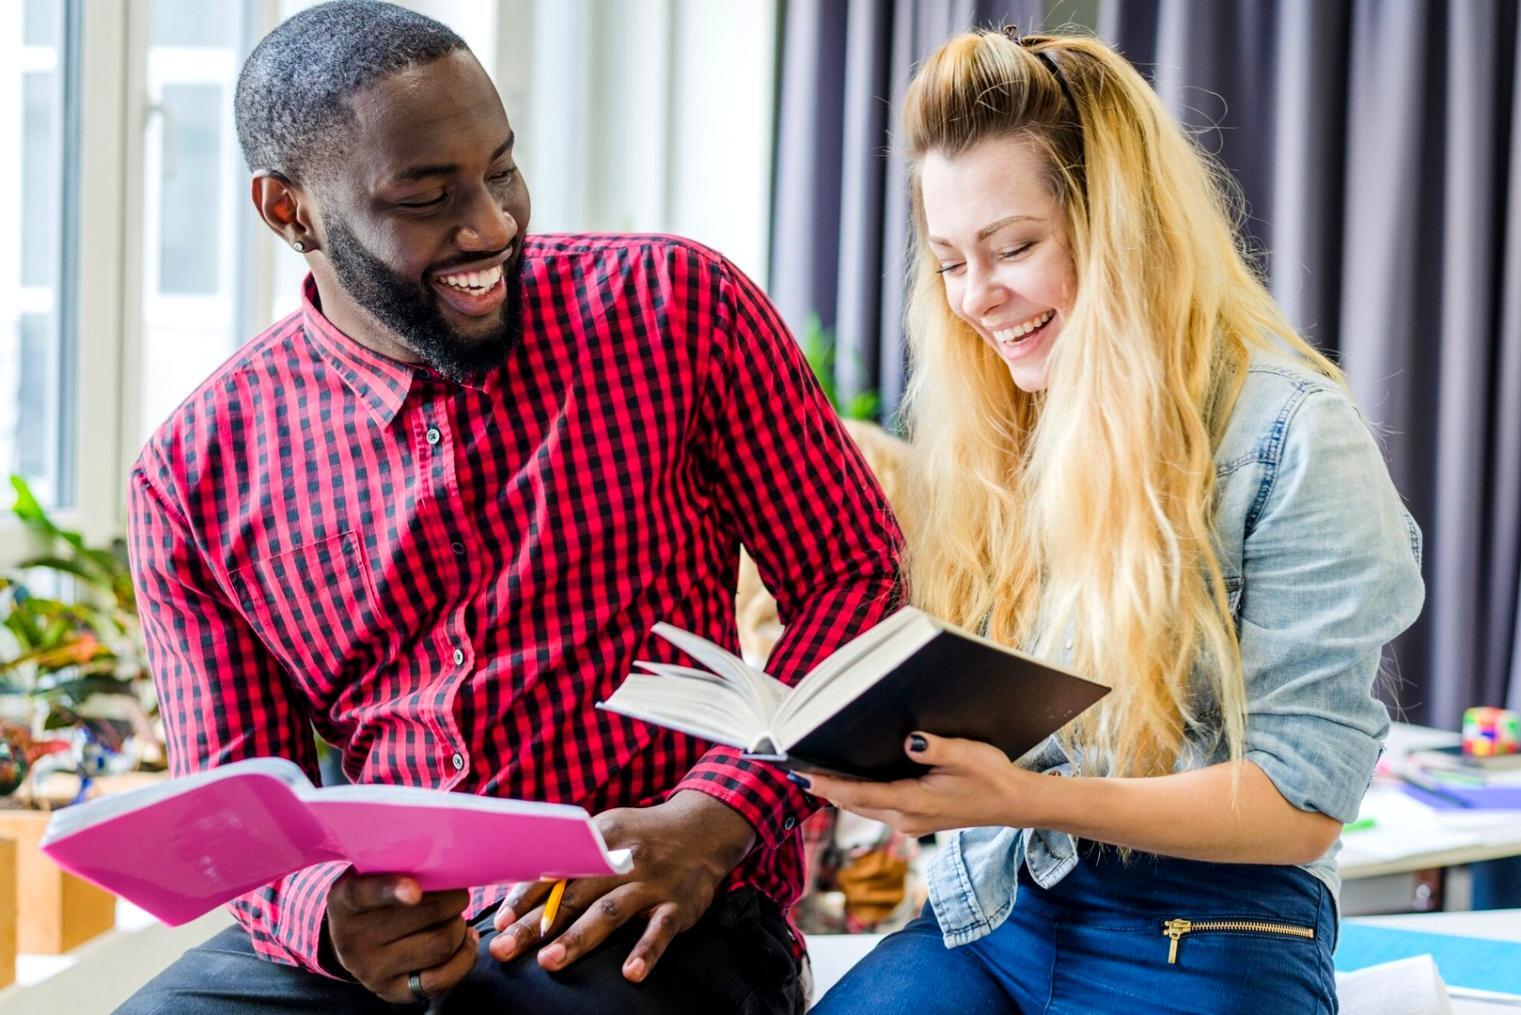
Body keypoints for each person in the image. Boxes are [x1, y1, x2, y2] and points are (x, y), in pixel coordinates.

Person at [119, 3, 900, 1012]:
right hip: (383, 942)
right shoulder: (194, 472)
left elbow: (855, 580)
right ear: (290, 211)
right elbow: (244, 803)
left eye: (502, 168)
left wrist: (718, 814)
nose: (490, 223)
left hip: (651, 899)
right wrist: (328, 913)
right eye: (426, 196)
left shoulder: (677, 308)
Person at [805, 27, 1424, 1013]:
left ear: (1121, 231)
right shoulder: (1002, 422)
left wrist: (1023, 796)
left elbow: (1302, 807)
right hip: (997, 909)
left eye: (1014, 249)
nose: (977, 298)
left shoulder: (1296, 438)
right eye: (950, 261)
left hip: (1215, 925)